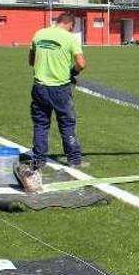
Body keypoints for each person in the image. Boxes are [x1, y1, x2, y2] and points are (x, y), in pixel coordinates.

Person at [29, 12, 88, 169]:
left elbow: (31, 60)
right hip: (60, 88)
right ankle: (74, 160)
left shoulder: (39, 34)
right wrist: (72, 71)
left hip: (39, 87)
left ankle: (39, 160)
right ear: (71, 25)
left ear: (57, 21)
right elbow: (81, 64)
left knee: (41, 124)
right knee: (67, 123)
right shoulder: (70, 38)